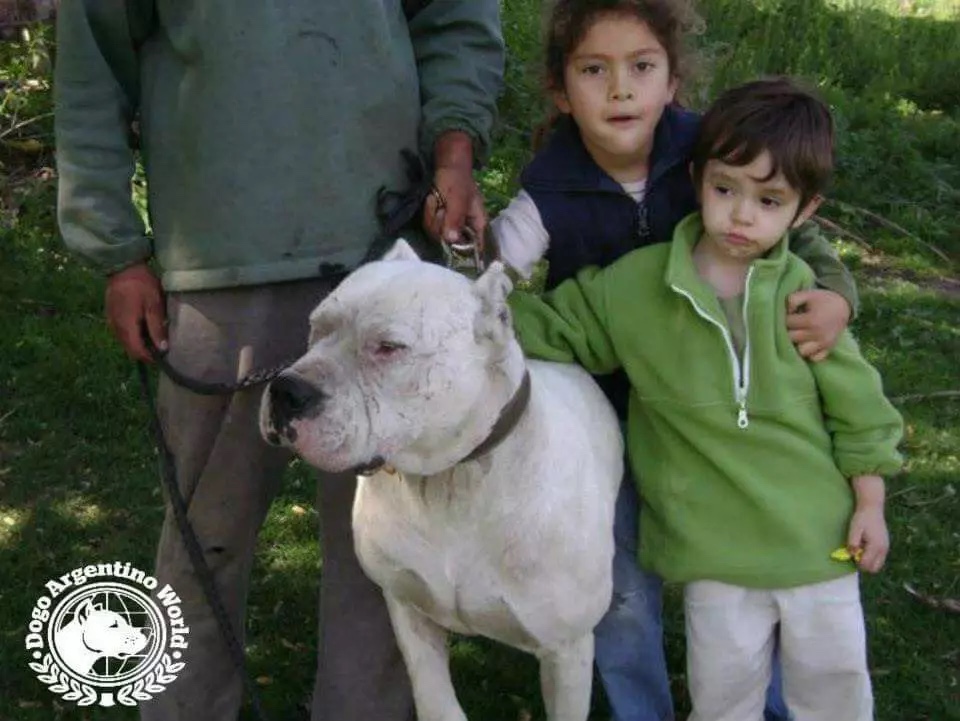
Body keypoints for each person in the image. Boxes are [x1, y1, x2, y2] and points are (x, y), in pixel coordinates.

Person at [54, 2, 504, 720]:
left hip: (380, 256)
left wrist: (454, 153)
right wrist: (116, 249)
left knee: (382, 544)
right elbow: (92, 64)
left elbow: (456, 19)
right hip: (218, 264)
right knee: (206, 538)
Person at [488, 2, 858, 720]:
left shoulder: (709, 154)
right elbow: (494, 277)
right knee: (620, 583)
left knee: (756, 565)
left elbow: (802, 241)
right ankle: (642, 709)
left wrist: (837, 296)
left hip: (716, 408)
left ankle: (775, 703)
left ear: (673, 80)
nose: (620, 90)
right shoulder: (550, 185)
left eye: (642, 67)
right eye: (595, 70)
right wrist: (464, 280)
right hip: (605, 415)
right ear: (563, 92)